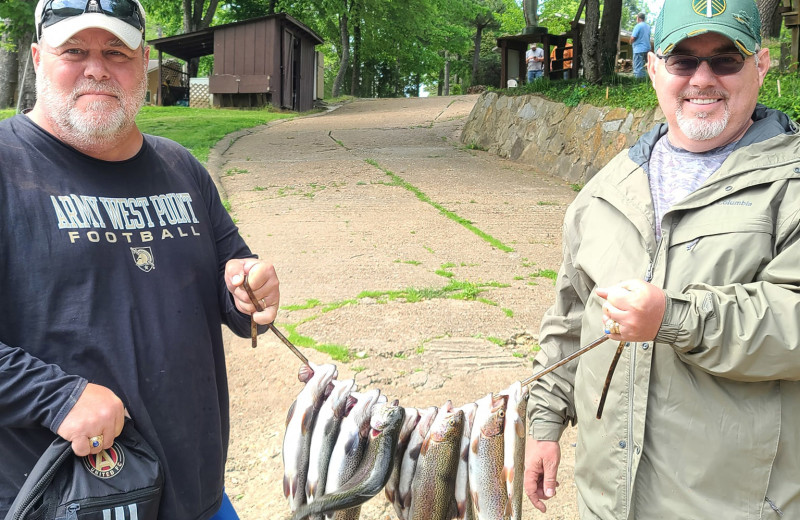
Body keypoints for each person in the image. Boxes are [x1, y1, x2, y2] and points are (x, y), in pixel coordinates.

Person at [0, 1, 280, 518]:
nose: (97, 69)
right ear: (38, 58)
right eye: (75, 51)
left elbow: (231, 272)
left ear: (143, 60)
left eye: (116, 52)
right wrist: (54, 397)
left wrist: (251, 286)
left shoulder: (181, 166)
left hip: (200, 494)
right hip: (65, 501)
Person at [523, 0, 800, 517]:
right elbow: (570, 317)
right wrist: (545, 422)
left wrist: (674, 319)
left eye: (725, 59)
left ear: (760, 65)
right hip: (607, 502)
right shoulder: (605, 191)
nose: (702, 78)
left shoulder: (792, 187)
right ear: (653, 67)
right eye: (682, 60)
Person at [630, 12, 651, 78]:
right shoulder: (648, 27)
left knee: (638, 67)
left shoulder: (638, 26)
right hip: (647, 49)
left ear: (638, 18)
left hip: (639, 50)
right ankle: (645, 82)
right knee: (645, 67)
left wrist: (630, 42)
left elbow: (633, 37)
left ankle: (638, 82)